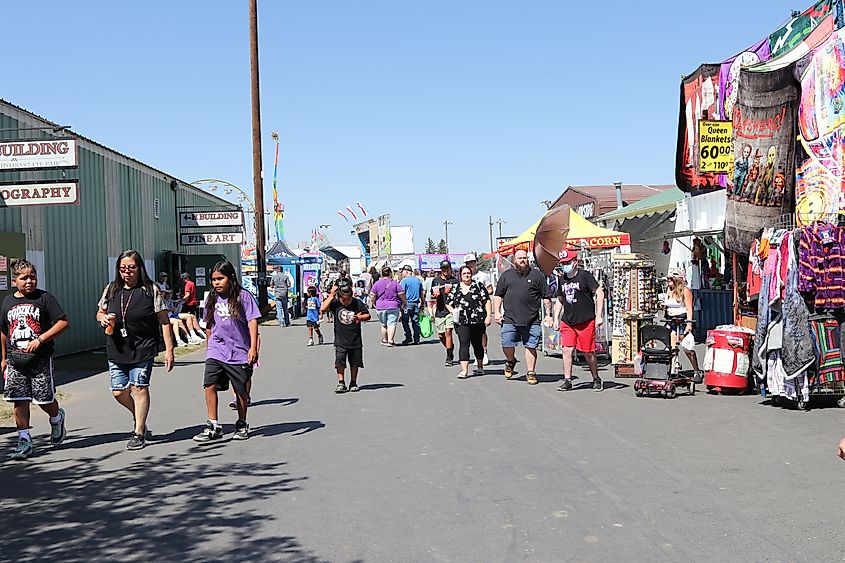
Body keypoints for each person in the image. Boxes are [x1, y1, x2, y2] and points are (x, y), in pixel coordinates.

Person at [96, 250, 174, 451]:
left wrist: (169, 349)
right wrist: (101, 318)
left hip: (143, 346)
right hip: (117, 347)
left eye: (131, 267)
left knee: (139, 388)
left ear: (139, 268)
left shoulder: (151, 290)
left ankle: (138, 432)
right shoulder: (111, 289)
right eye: (123, 268)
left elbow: (164, 321)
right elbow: (100, 311)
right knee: (118, 391)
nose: (127, 272)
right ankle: (138, 415)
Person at [1, 259, 69, 460]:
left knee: (43, 400)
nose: (29, 281)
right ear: (14, 281)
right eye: (24, 278)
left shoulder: (45, 298)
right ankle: (24, 440)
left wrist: (41, 339)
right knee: (18, 400)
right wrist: (3, 358)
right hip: (15, 360)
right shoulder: (7, 302)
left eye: (33, 276)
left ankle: (57, 418)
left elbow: (63, 322)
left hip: (40, 359)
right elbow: (4, 331)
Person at [193, 261, 260, 442]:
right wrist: (209, 346)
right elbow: (209, 323)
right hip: (217, 349)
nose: (216, 283)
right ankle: (213, 424)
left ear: (230, 278)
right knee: (209, 384)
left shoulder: (243, 297)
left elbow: (252, 322)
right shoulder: (212, 298)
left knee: (240, 390)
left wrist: (253, 347)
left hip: (239, 351)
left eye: (220, 278)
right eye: (213, 279)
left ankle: (242, 423)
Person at [493, 249, 553, 385]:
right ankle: (510, 360)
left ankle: (531, 372)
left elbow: (546, 297)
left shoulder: (537, 275)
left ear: (528, 259)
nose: (522, 260)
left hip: (532, 319)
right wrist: (496, 312)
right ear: (514, 260)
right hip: (510, 318)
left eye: (524, 258)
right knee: (507, 343)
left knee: (530, 346)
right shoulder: (506, 276)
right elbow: (498, 295)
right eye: (519, 258)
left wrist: (549, 315)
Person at [554, 250, 605, 392]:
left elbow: (600, 293)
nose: (565, 266)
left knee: (588, 352)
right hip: (568, 321)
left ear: (575, 262)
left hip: (585, 320)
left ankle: (596, 378)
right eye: (563, 263)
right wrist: (556, 318)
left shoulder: (585, 276)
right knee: (567, 350)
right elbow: (559, 300)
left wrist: (599, 315)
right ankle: (567, 380)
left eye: (567, 263)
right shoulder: (562, 279)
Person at [320, 283, 370, 393]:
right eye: (344, 299)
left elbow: (368, 315)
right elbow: (322, 309)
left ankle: (353, 382)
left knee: (355, 362)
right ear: (340, 297)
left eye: (348, 299)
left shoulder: (357, 303)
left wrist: (360, 317)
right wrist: (331, 296)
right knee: (340, 362)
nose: (346, 302)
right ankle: (341, 382)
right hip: (340, 339)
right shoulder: (335, 304)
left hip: (355, 339)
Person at [446, 265, 492, 378]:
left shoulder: (478, 286)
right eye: (464, 274)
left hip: (477, 320)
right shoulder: (456, 287)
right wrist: (453, 311)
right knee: (464, 343)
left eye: (468, 273)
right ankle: (464, 370)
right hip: (461, 321)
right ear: (460, 276)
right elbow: (448, 302)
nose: (467, 275)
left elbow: (486, 301)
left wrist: (488, 316)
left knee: (477, 344)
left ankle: (480, 366)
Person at [664, 268, 703, 382]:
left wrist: (689, 323)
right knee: (672, 347)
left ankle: (696, 370)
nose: (668, 281)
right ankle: (673, 369)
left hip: (682, 320)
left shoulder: (686, 291)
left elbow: (689, 308)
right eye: (668, 279)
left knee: (687, 347)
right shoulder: (669, 290)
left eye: (670, 278)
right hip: (671, 320)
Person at [465, 253, 494, 365]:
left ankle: (484, 353)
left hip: (480, 307)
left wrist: (480, 295)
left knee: (481, 331)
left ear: (475, 263)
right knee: (471, 333)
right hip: (468, 309)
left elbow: (490, 290)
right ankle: (477, 354)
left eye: (472, 262)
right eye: (468, 263)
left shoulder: (483, 276)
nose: (470, 265)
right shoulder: (465, 275)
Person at [430, 260, 459, 366]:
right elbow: (432, 296)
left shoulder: (455, 281)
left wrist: (451, 292)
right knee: (441, 335)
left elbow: (459, 295)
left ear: (450, 269)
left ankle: (449, 356)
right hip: (440, 310)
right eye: (443, 268)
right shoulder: (436, 281)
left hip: (451, 310)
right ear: (441, 270)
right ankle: (449, 346)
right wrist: (435, 295)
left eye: (447, 268)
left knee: (448, 332)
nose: (446, 270)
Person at [369, 266, 406, 347]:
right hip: (393, 305)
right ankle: (391, 340)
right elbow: (401, 293)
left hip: (380, 306)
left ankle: (385, 339)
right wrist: (404, 302)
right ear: (390, 273)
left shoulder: (377, 283)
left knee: (383, 324)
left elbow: (372, 294)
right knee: (391, 323)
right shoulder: (394, 283)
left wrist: (374, 302)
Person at [399, 264, 424, 345]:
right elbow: (422, 293)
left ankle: (408, 336)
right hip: (416, 303)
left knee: (405, 321)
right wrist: (423, 302)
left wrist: (401, 304)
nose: (402, 274)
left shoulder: (404, 281)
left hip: (407, 303)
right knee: (415, 321)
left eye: (402, 272)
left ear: (406, 272)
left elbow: (401, 293)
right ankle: (417, 338)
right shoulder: (417, 280)